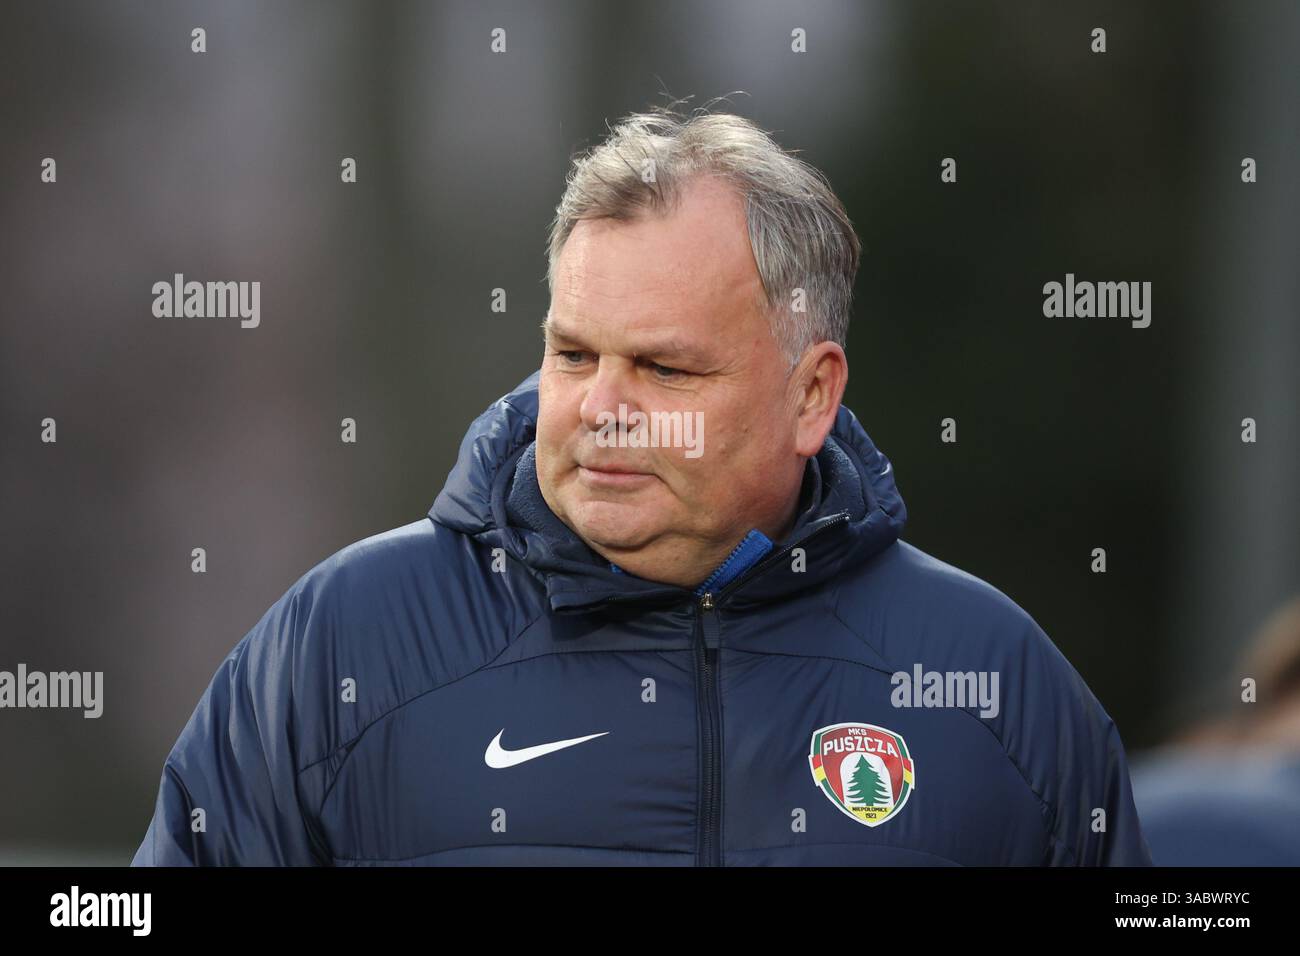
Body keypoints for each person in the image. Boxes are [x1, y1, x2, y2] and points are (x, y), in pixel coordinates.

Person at [131, 103, 1151, 866]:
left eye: (664, 368)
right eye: (573, 354)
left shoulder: (997, 683)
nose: (597, 407)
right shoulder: (339, 645)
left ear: (811, 394)